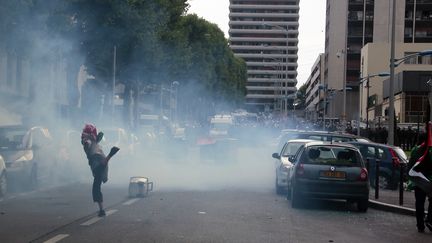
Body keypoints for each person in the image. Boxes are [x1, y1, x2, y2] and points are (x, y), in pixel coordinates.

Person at [81, 124, 119, 217]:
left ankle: (101, 210)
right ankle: (101, 210)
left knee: (96, 186)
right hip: (101, 160)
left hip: (96, 160)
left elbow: (88, 142)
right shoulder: (92, 140)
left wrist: (88, 141)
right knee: (97, 183)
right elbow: (94, 139)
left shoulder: (88, 140)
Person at [408, 124, 432, 233]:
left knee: (419, 203)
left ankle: (420, 225)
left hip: (418, 180)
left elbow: (410, 164)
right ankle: (430, 220)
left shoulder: (415, 150)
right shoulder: (430, 151)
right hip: (429, 180)